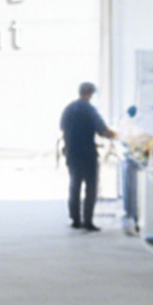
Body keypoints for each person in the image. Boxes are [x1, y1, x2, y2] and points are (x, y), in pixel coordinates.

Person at [58, 82, 117, 232]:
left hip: (71, 152)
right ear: (90, 94)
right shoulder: (90, 110)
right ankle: (88, 221)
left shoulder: (69, 109)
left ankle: (75, 220)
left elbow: (62, 128)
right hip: (87, 153)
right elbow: (102, 130)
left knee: (74, 185)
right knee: (91, 187)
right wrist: (118, 136)